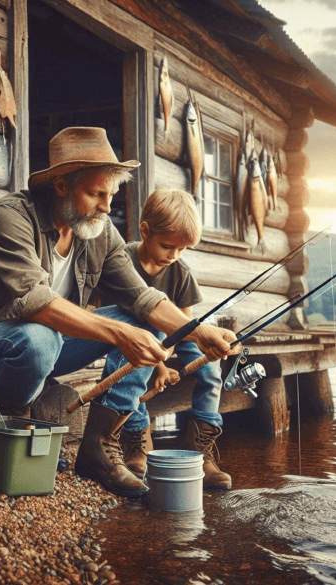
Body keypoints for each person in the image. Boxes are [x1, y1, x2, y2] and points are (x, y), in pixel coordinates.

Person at [0, 127, 239, 496]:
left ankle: (100, 444)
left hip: (53, 347)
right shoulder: (12, 217)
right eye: (96, 194)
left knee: (141, 321)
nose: (106, 206)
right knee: (40, 337)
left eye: (111, 195)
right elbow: (35, 302)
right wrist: (119, 335)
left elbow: (144, 299)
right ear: (61, 186)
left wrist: (200, 332)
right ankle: (18, 420)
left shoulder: (99, 232)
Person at [97, 189, 232, 490]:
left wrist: (165, 359)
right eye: (168, 246)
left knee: (210, 369)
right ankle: (138, 444)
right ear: (145, 231)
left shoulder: (180, 272)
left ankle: (202, 453)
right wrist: (158, 366)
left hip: (172, 335)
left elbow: (184, 328)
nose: (174, 256)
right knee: (137, 366)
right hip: (129, 337)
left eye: (183, 249)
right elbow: (99, 313)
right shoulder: (120, 260)